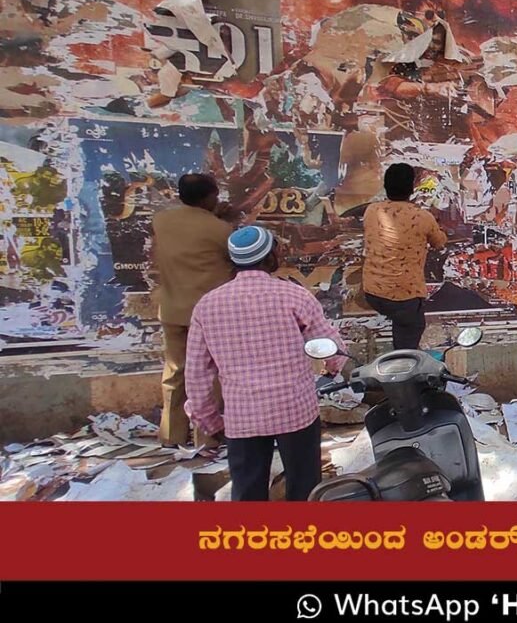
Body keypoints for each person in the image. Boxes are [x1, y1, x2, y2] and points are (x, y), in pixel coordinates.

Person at [184, 226, 347, 501]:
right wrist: (333, 368)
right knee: (305, 487)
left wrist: (210, 421)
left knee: (247, 491)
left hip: (242, 416)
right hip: (295, 410)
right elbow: (332, 348)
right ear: (272, 256)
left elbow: (196, 373)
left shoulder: (207, 305)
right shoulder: (295, 296)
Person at [150, 173, 234, 447]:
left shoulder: (161, 222)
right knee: (208, 376)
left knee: (174, 373)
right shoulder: (220, 230)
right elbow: (233, 255)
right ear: (210, 197)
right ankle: (206, 436)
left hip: (173, 309)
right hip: (208, 316)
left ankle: (171, 434)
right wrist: (224, 219)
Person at [361, 163, 447, 351]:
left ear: (386, 185)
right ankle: (402, 367)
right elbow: (439, 242)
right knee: (410, 332)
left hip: (373, 292)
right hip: (404, 297)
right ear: (412, 187)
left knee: (400, 320)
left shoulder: (371, 211)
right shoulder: (423, 217)